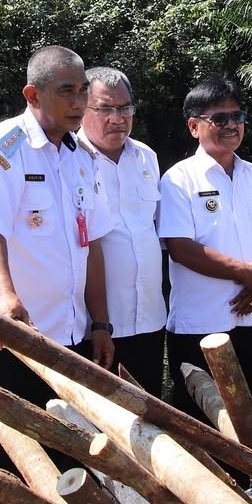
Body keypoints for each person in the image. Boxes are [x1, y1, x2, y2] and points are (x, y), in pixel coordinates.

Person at [0, 45, 114, 475]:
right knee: (4, 460)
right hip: (6, 337)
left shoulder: (83, 157)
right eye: (66, 91)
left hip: (66, 336)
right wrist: (4, 297)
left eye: (83, 90)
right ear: (32, 95)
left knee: (66, 455)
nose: (79, 102)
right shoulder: (6, 147)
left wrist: (101, 323)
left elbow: (91, 243)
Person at [159, 74, 252, 419]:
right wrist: (246, 273)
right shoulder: (178, 179)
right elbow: (181, 247)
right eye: (220, 118)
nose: (232, 125)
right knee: (201, 423)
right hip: (200, 324)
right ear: (194, 126)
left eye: (238, 116)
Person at [77, 66, 168, 396]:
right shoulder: (69, 159)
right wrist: (99, 322)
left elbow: (153, 228)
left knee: (152, 409)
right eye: (105, 109)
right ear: (82, 108)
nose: (117, 118)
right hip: (95, 325)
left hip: (150, 317)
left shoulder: (146, 157)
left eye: (125, 108)